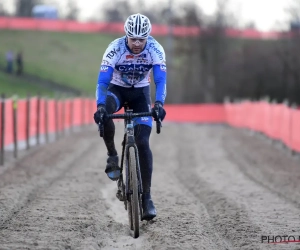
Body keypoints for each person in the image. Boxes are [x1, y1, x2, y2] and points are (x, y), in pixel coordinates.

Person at [93, 13, 167, 221]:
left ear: (147, 37)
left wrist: (159, 104)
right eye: (132, 38)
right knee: (105, 112)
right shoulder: (115, 48)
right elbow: (102, 82)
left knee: (143, 142)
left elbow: (161, 81)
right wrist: (100, 106)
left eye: (141, 39)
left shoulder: (155, 49)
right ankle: (112, 155)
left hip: (140, 94)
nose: (136, 43)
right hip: (117, 90)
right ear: (126, 35)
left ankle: (147, 198)